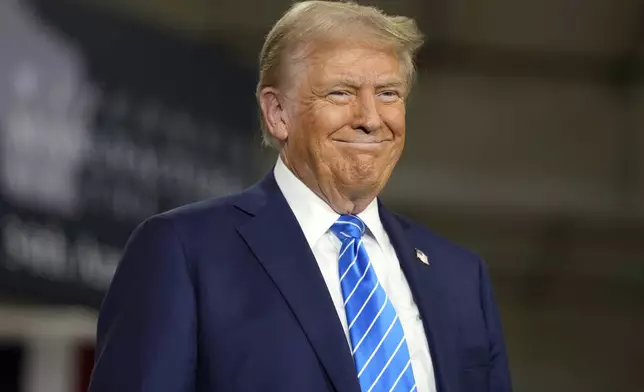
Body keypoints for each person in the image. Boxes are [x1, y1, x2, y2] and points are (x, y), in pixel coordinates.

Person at [88, 1, 512, 391]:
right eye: (341, 93)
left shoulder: (460, 276)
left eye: (388, 93)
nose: (370, 118)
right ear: (277, 113)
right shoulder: (183, 252)